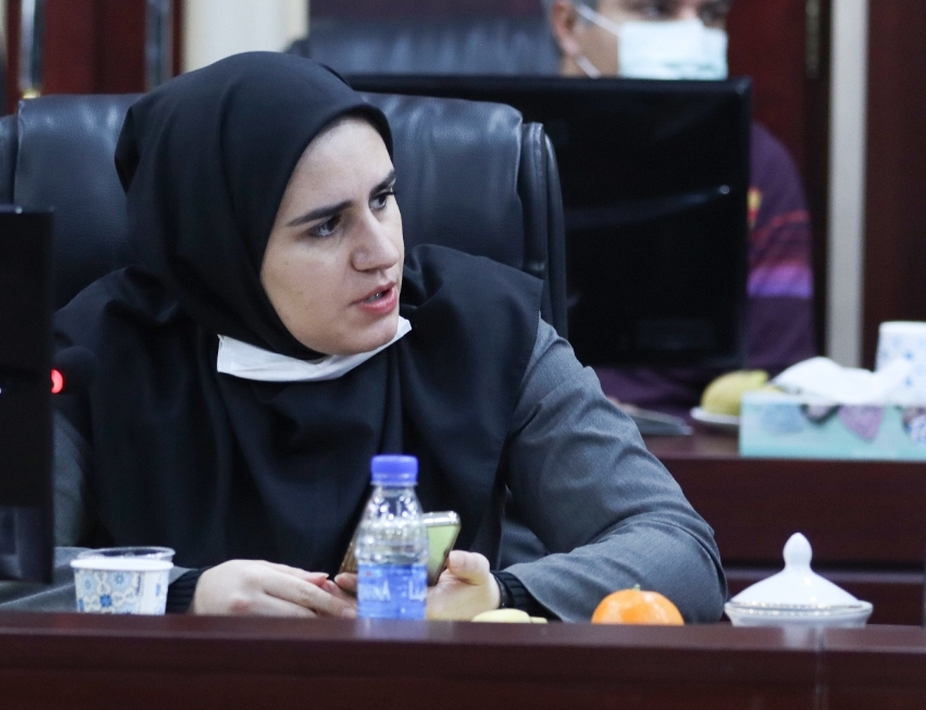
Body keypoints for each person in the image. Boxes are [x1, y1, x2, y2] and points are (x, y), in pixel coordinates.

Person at [49, 51, 725, 622]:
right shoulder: (94, 353)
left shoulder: (484, 329)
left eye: (383, 198)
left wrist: (498, 596)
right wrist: (181, 595)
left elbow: (680, 553)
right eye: (326, 226)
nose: (382, 253)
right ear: (221, 249)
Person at [540, 0, 816, 416]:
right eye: (655, 8)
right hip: (516, 446)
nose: (692, 34)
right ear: (570, 25)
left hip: (690, 451)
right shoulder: (488, 156)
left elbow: (779, 385)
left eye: (710, 13)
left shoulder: (758, 165)